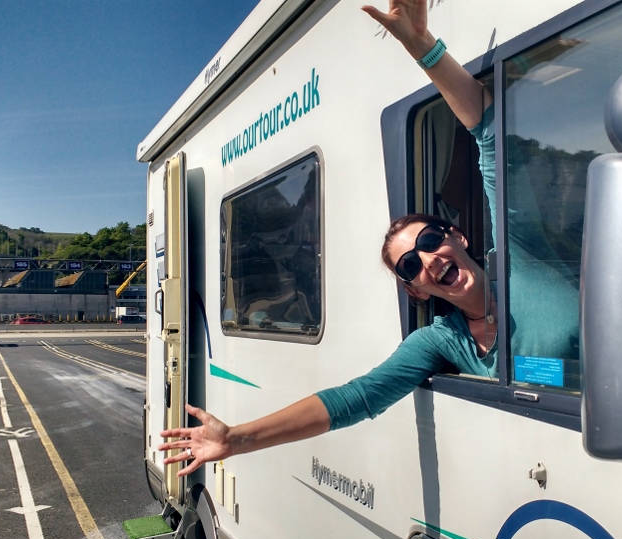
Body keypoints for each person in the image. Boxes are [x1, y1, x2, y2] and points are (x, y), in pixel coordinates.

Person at [159, 0, 578, 477]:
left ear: (456, 235)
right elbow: (355, 398)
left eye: (429, 240)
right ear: (416, 289)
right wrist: (236, 439)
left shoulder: (521, 255)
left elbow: (489, 135)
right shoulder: (444, 342)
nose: (426, 259)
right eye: (409, 267)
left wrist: (422, 46)